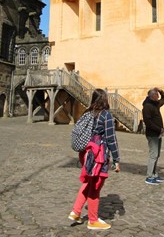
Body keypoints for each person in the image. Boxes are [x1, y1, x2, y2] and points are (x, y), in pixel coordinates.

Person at [68, 89, 121, 230]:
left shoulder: (87, 113)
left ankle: (76, 211)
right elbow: (111, 138)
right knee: (95, 186)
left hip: (85, 153)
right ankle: (92, 220)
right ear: (105, 100)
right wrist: (116, 159)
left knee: (88, 181)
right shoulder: (106, 115)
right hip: (98, 155)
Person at [141, 87, 164, 185]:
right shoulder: (147, 106)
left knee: (157, 154)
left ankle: (154, 174)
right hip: (152, 134)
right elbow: (148, 122)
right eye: (157, 94)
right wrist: (159, 129)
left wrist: (160, 90)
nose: (159, 96)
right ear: (153, 96)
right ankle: (149, 176)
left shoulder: (156, 104)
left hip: (158, 134)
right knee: (153, 155)